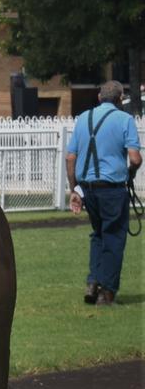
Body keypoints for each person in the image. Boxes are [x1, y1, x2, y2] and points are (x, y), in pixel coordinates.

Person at [65, 80, 142, 306]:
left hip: (88, 190)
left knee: (98, 235)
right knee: (114, 238)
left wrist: (74, 189)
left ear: (99, 97)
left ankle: (93, 281)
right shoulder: (125, 119)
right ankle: (107, 293)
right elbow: (135, 158)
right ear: (120, 99)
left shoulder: (83, 119)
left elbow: (71, 158)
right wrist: (130, 171)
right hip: (112, 189)